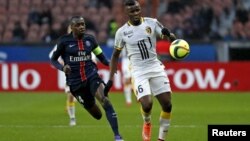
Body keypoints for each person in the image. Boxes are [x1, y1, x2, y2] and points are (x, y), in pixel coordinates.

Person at [105, 0, 176, 141]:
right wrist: (111, 78)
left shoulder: (152, 23)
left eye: (137, 10)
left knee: (167, 104)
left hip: (155, 67)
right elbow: (115, 56)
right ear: (127, 13)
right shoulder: (122, 32)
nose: (136, 13)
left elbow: (170, 38)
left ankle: (161, 139)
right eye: (132, 11)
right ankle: (147, 122)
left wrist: (170, 36)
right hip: (138, 71)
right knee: (147, 104)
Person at [50, 16, 124, 141]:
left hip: (92, 76)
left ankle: (117, 136)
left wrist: (111, 64)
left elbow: (102, 57)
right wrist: (62, 68)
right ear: (72, 27)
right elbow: (53, 59)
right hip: (75, 84)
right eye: (78, 25)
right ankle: (90, 102)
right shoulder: (63, 41)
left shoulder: (90, 39)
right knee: (97, 115)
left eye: (83, 24)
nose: (81, 27)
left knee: (106, 101)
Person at [49, 44, 77, 126]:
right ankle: (72, 118)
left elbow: (92, 57)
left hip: (82, 73)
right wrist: (61, 63)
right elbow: (52, 56)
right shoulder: (62, 42)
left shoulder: (83, 41)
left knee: (79, 96)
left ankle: (72, 102)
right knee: (71, 95)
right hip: (69, 74)